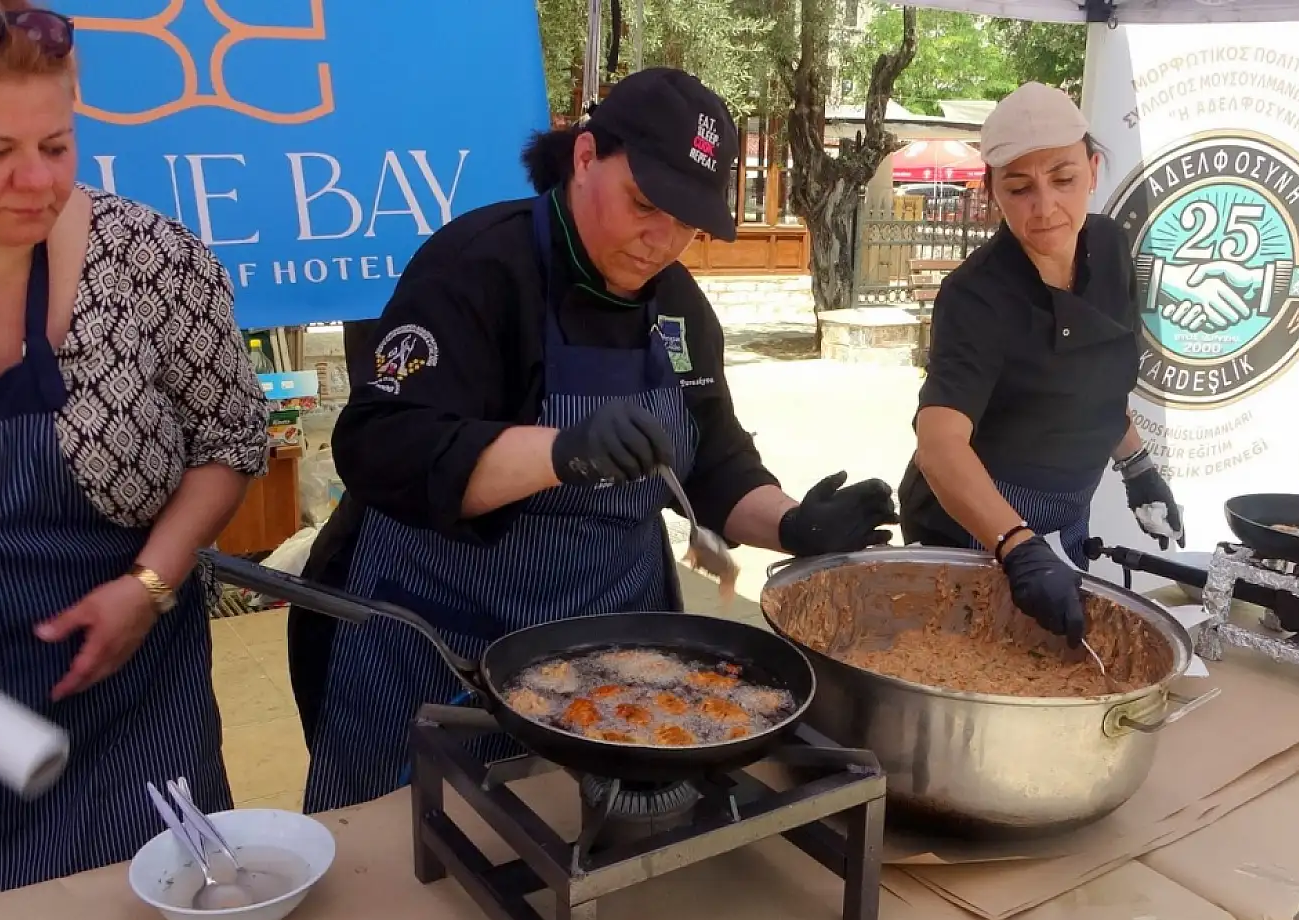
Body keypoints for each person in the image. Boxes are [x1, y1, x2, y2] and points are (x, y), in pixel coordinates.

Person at [288, 67, 896, 814]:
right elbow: (382, 446)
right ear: (584, 158)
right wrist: (559, 452)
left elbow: (712, 458)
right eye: (645, 204)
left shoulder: (678, 307)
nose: (662, 240)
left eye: (687, 222)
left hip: (615, 667)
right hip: (442, 643)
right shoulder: (478, 266)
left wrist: (793, 522)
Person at [0, 0, 269, 915]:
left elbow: (229, 440)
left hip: (134, 727)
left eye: (57, 145)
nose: (35, 180)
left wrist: (150, 583)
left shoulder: (148, 263)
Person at [897, 83, 1182, 648]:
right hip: (973, 527)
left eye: (1064, 178)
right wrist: (1016, 545)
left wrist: (1138, 466)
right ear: (992, 192)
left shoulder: (1110, 248)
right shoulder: (976, 295)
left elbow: (1098, 381)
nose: (1046, 206)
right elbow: (940, 443)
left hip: (1066, 511)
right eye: (1020, 187)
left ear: (1094, 169)